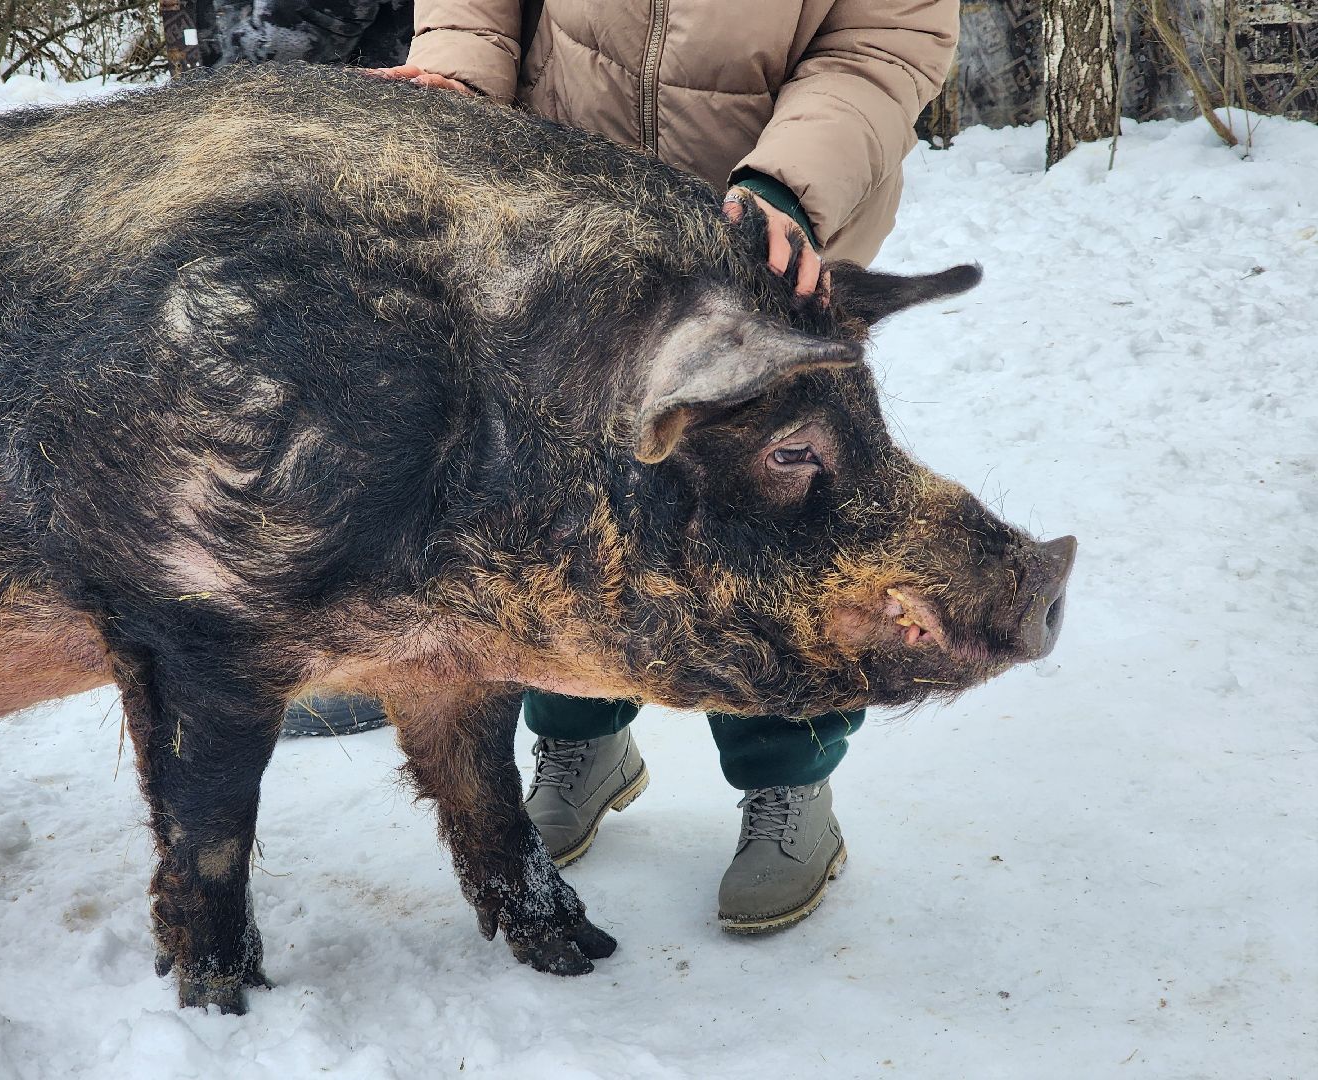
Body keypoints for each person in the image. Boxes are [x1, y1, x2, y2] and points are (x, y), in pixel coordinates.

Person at [297, 0, 960, 932]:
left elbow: (886, 43)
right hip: (568, 243)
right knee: (560, 523)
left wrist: (787, 183)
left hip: (768, 251)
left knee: (776, 530)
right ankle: (581, 746)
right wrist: (460, 76)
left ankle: (790, 785)